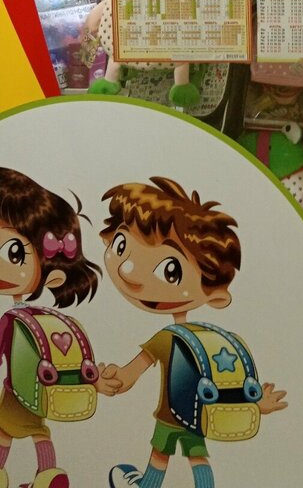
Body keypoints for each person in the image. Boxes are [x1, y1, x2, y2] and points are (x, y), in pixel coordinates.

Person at [98, 177, 286, 488]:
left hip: (172, 413)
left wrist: (115, 378)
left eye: (170, 270)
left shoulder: (168, 337)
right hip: (200, 412)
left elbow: (131, 373)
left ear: (216, 297)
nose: (128, 270)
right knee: (198, 458)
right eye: (121, 245)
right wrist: (256, 403)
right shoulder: (213, 338)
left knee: (160, 454)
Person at [0, 169, 102, 488]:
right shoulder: (46, 318)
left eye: (14, 253)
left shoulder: (12, 320)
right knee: (38, 431)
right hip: (42, 389)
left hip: (18, 389)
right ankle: (48, 474)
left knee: (4, 431)